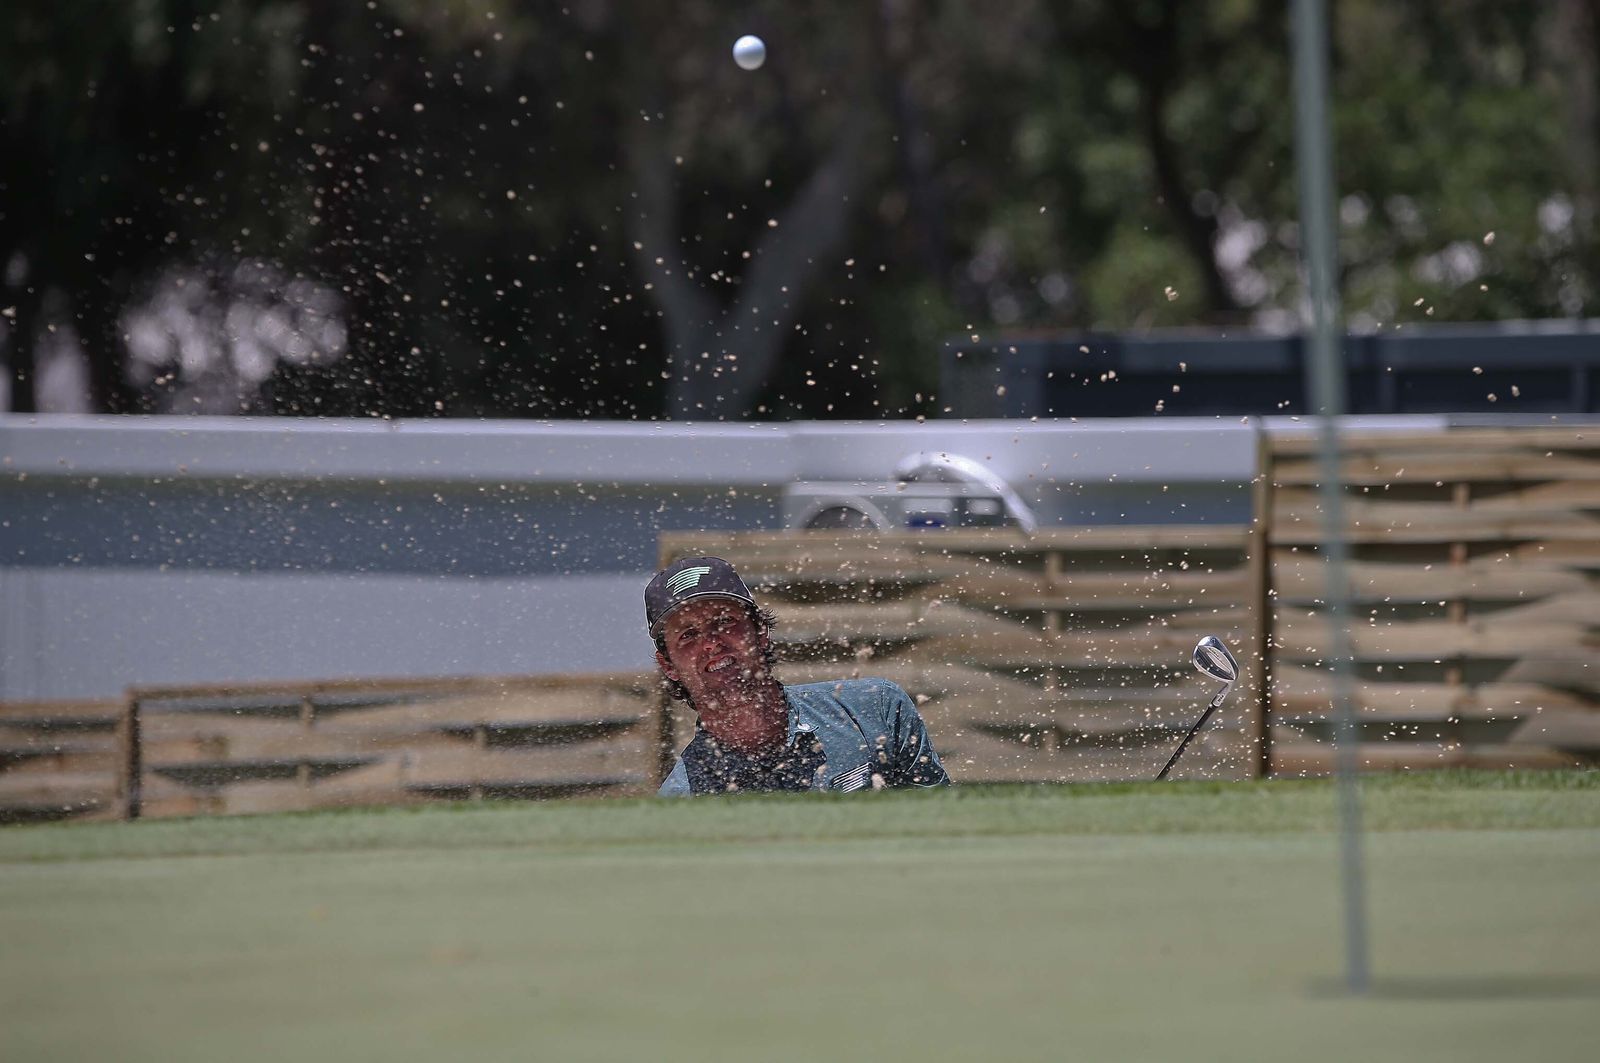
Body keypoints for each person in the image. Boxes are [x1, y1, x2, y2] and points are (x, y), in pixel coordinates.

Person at [646, 555, 950, 796]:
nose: (711, 642)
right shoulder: (685, 801)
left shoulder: (876, 711)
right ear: (669, 665)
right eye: (688, 634)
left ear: (760, 631)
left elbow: (945, 831)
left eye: (725, 621)